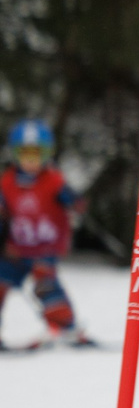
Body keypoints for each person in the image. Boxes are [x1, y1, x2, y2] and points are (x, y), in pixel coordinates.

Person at [1, 118, 94, 348]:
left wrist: (75, 202)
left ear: (47, 154)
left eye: (37, 154)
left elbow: (72, 199)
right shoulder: (7, 183)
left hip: (46, 248)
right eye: (25, 154)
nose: (31, 161)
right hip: (16, 250)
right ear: (15, 154)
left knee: (45, 283)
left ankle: (64, 327)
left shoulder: (53, 181)